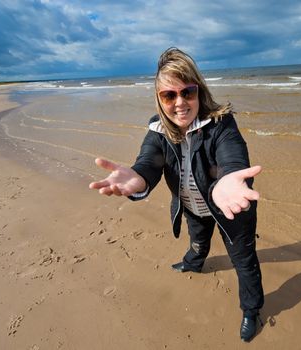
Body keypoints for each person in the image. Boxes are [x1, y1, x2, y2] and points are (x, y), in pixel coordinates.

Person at [89, 47, 264, 342]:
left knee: (243, 261)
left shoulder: (221, 124)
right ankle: (194, 262)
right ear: (159, 100)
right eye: (169, 96)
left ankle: (251, 309)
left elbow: (232, 155)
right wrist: (138, 178)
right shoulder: (158, 131)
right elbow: (149, 162)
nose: (180, 103)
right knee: (197, 241)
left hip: (231, 207)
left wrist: (229, 178)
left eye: (188, 92)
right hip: (193, 206)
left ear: (200, 91)